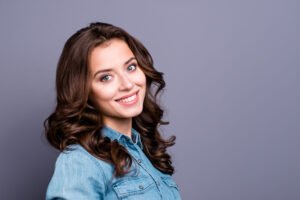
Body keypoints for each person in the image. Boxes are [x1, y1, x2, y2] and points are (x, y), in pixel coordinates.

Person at [44, 22, 181, 200]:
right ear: (84, 91)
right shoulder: (81, 161)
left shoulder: (144, 151)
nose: (128, 84)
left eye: (131, 67)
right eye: (106, 77)